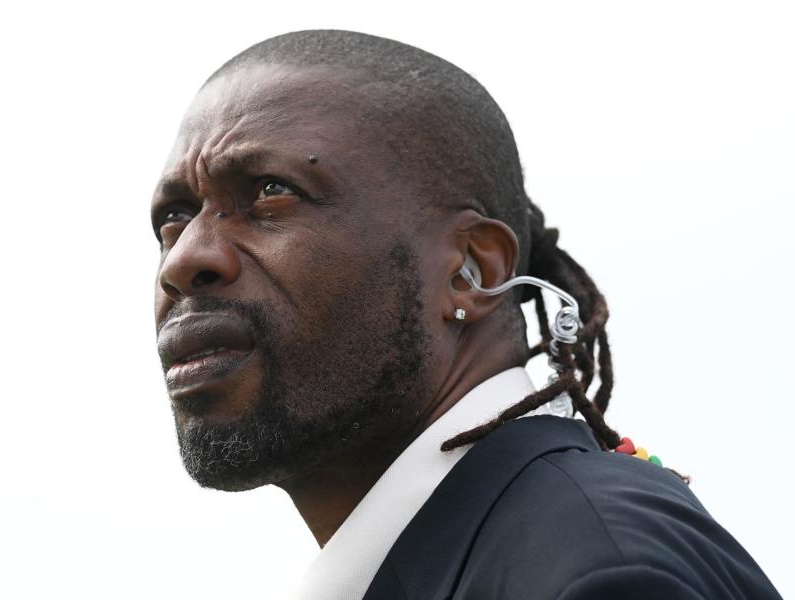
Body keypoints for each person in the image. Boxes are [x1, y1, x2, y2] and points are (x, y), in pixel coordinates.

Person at [151, 29, 781, 599]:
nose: (183, 260)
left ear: (471, 271)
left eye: (269, 191)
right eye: (173, 217)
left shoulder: (594, 564)